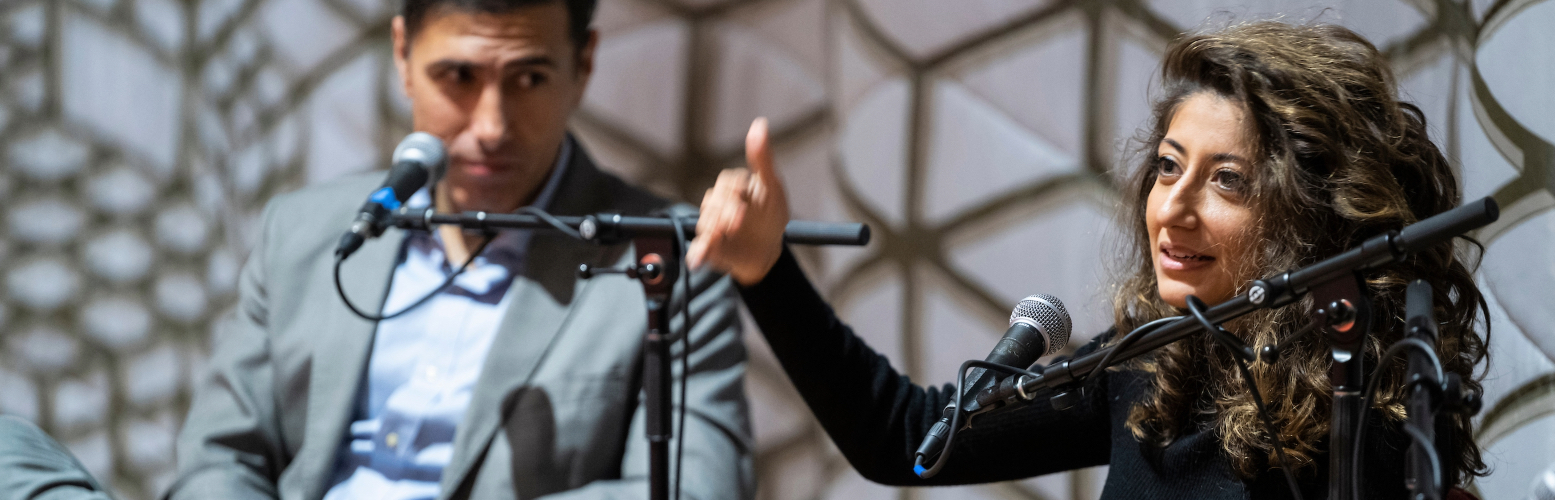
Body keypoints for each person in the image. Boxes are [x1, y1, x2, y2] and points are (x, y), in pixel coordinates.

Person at [689, 21, 1487, 498]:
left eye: (1228, 181)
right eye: (1169, 167)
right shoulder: (1151, 369)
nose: (1172, 207)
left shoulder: (1374, 411)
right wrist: (767, 269)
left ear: (1312, 214)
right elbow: (909, 439)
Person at [168, 0, 754, 499]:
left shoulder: (664, 255)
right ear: (402, 54)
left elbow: (695, 488)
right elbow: (217, 458)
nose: (492, 125)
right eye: (458, 77)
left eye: (529, 79)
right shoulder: (304, 231)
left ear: (584, 64)